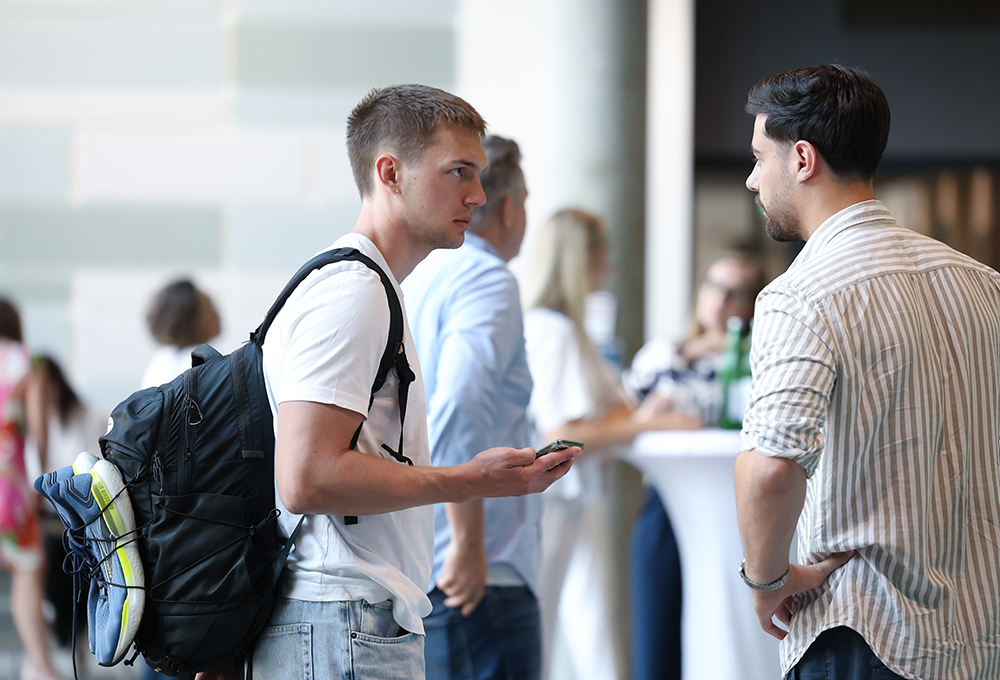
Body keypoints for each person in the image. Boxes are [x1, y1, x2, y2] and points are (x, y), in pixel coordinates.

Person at [197, 84, 577, 680]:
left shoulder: (358, 282)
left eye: (478, 175)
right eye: (458, 173)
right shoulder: (355, 291)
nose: (477, 195)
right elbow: (306, 478)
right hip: (342, 620)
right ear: (390, 173)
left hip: (339, 618)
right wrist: (470, 480)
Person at [735, 64, 1000, 680]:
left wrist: (766, 579)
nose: (751, 180)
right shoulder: (983, 285)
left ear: (802, 159)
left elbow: (770, 468)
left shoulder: (801, 295)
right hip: (978, 638)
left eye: (758, 157)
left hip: (864, 633)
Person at [520, 209, 698, 680]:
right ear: (583, 259)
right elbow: (559, 436)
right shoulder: (553, 332)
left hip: (576, 500)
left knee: (593, 629)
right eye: (603, 256)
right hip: (555, 502)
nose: (609, 267)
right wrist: (645, 426)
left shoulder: (571, 332)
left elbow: (612, 410)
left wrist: (639, 419)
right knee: (551, 630)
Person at [403, 134, 541, 680]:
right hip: (482, 569)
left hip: (421, 553)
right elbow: (460, 406)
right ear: (507, 208)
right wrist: (469, 540)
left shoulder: (423, 275)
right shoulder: (487, 278)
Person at [626, 250, 766, 680]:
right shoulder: (663, 354)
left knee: (727, 639)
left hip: (739, 510)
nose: (720, 301)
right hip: (667, 501)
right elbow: (626, 419)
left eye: (735, 292)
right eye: (714, 286)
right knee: (656, 632)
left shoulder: (762, 357)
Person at [24, 355, 107, 653]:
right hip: (49, 518)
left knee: (68, 554)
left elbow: (95, 472)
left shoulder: (89, 417)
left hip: (81, 516)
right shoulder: (35, 427)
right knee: (49, 558)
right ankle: (64, 635)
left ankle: (76, 632)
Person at [0, 299, 64, 680]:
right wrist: (42, 482)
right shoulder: (27, 361)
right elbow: (40, 431)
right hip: (10, 486)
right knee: (27, 572)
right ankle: (39, 664)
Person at [141, 279, 221, 388]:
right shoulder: (199, 366)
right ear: (189, 319)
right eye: (210, 308)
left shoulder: (161, 360)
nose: (218, 315)